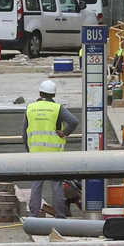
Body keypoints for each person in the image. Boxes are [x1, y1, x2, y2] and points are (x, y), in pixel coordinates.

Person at [23, 80, 79, 218]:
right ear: (54, 94)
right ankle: (60, 215)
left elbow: (24, 133)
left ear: (40, 93)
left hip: (36, 154)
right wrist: (65, 132)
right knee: (56, 186)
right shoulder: (58, 108)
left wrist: (29, 150)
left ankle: (34, 215)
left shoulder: (30, 108)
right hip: (54, 155)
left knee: (36, 185)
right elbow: (74, 121)